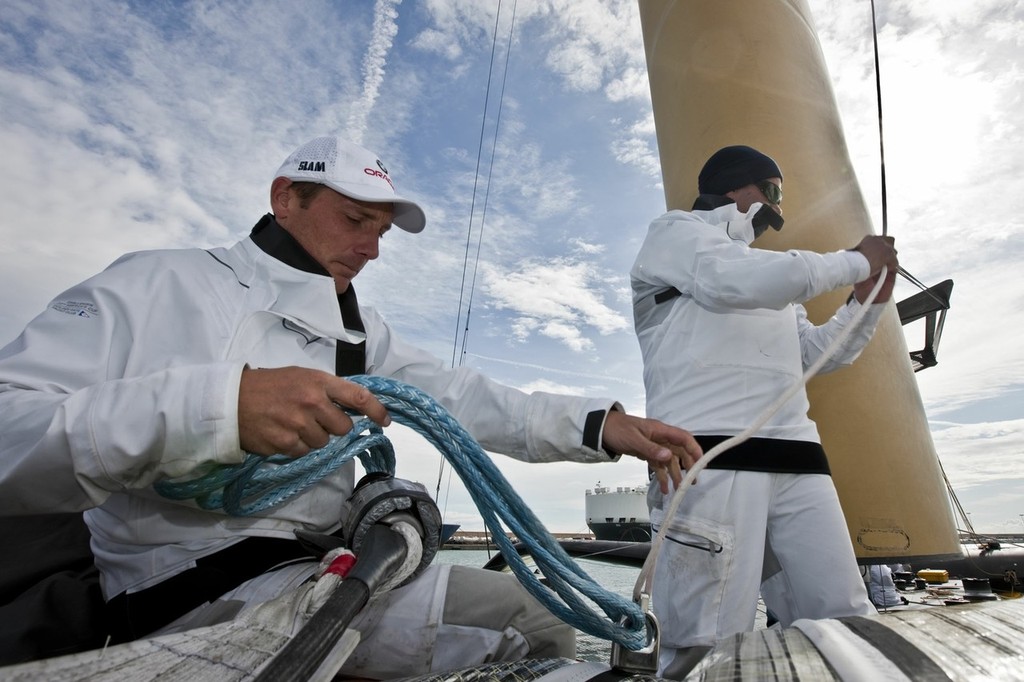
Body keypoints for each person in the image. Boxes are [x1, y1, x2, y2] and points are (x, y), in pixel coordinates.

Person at [0, 135, 703, 676]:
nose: (369, 248)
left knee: (542, 621)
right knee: (530, 629)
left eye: (380, 233)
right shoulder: (157, 284)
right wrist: (217, 405)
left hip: (322, 572)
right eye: (353, 220)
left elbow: (463, 399)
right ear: (286, 198)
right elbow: (11, 423)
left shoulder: (358, 335)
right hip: (181, 591)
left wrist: (601, 426)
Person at [629, 145, 898, 678]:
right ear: (738, 189)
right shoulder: (675, 235)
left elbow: (817, 355)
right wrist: (857, 260)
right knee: (702, 647)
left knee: (844, 622)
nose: (779, 208)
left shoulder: (770, 279)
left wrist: (866, 300)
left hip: (799, 462)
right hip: (708, 463)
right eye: (773, 191)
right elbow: (731, 281)